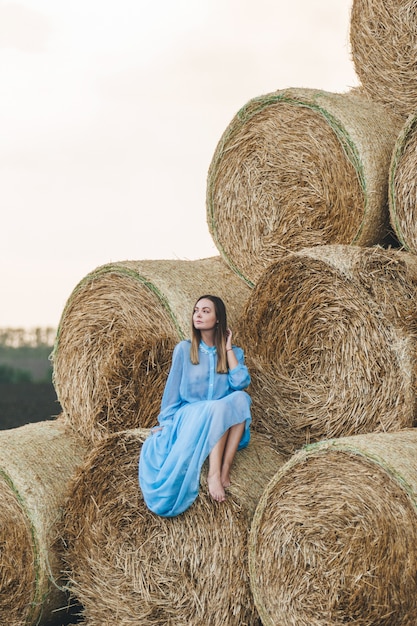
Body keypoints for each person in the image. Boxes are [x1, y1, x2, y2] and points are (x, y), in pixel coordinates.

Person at [138, 294, 252, 517]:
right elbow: (171, 394)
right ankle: (213, 475)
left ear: (218, 319)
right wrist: (167, 424)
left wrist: (228, 349)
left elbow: (240, 383)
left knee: (241, 399)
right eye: (196, 311)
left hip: (220, 416)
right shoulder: (184, 350)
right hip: (189, 415)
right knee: (216, 407)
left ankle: (225, 469)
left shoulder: (234, 353)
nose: (198, 315)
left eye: (206, 311)